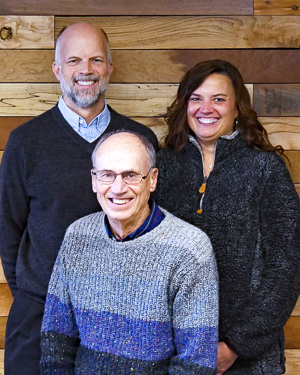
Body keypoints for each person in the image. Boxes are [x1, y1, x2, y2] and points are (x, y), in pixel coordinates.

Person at [0, 23, 158, 375]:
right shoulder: (25, 142)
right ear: (57, 69)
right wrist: (37, 287)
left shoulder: (140, 140)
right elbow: (7, 227)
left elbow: (151, 226)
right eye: (74, 60)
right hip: (38, 317)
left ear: (109, 69)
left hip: (121, 316)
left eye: (95, 60)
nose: (85, 70)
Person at [153, 60, 300, 375]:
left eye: (218, 99)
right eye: (196, 98)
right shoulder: (159, 169)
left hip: (248, 358)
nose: (206, 108)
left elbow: (286, 269)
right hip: (171, 353)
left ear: (237, 109)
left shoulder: (265, 170)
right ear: (184, 106)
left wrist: (235, 346)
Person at [40, 131, 219, 374]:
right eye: (107, 175)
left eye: (131, 175)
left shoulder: (189, 249)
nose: (118, 187)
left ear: (152, 179)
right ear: (94, 180)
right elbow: (56, 341)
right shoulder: (77, 236)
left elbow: (196, 362)